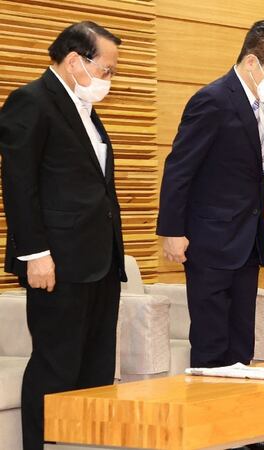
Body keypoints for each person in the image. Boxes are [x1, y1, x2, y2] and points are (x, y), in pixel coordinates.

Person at [157, 20, 264, 450]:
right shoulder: (212, 100)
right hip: (208, 240)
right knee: (211, 340)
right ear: (253, 62)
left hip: (247, 239)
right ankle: (208, 433)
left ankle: (240, 429)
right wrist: (172, 230)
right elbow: (179, 168)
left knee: (242, 339)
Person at [0, 21, 127, 450]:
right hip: (57, 260)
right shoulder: (31, 102)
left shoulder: (83, 107)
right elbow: (19, 185)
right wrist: (35, 253)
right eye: (106, 70)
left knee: (95, 368)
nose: (109, 79)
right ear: (75, 61)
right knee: (56, 366)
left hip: (99, 259)